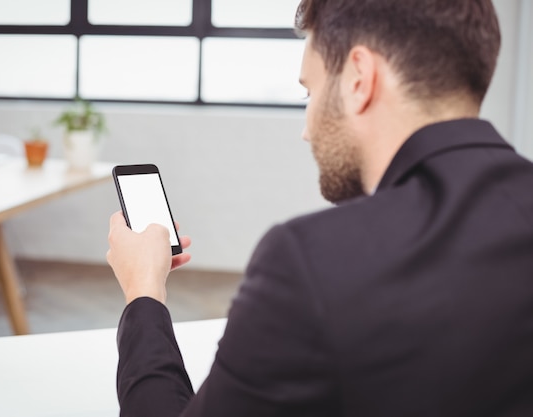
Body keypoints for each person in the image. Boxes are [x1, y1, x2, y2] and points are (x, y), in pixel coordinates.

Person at [106, 0, 533, 415]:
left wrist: (144, 289)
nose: (307, 132)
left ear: (359, 79)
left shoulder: (309, 260)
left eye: (309, 92)